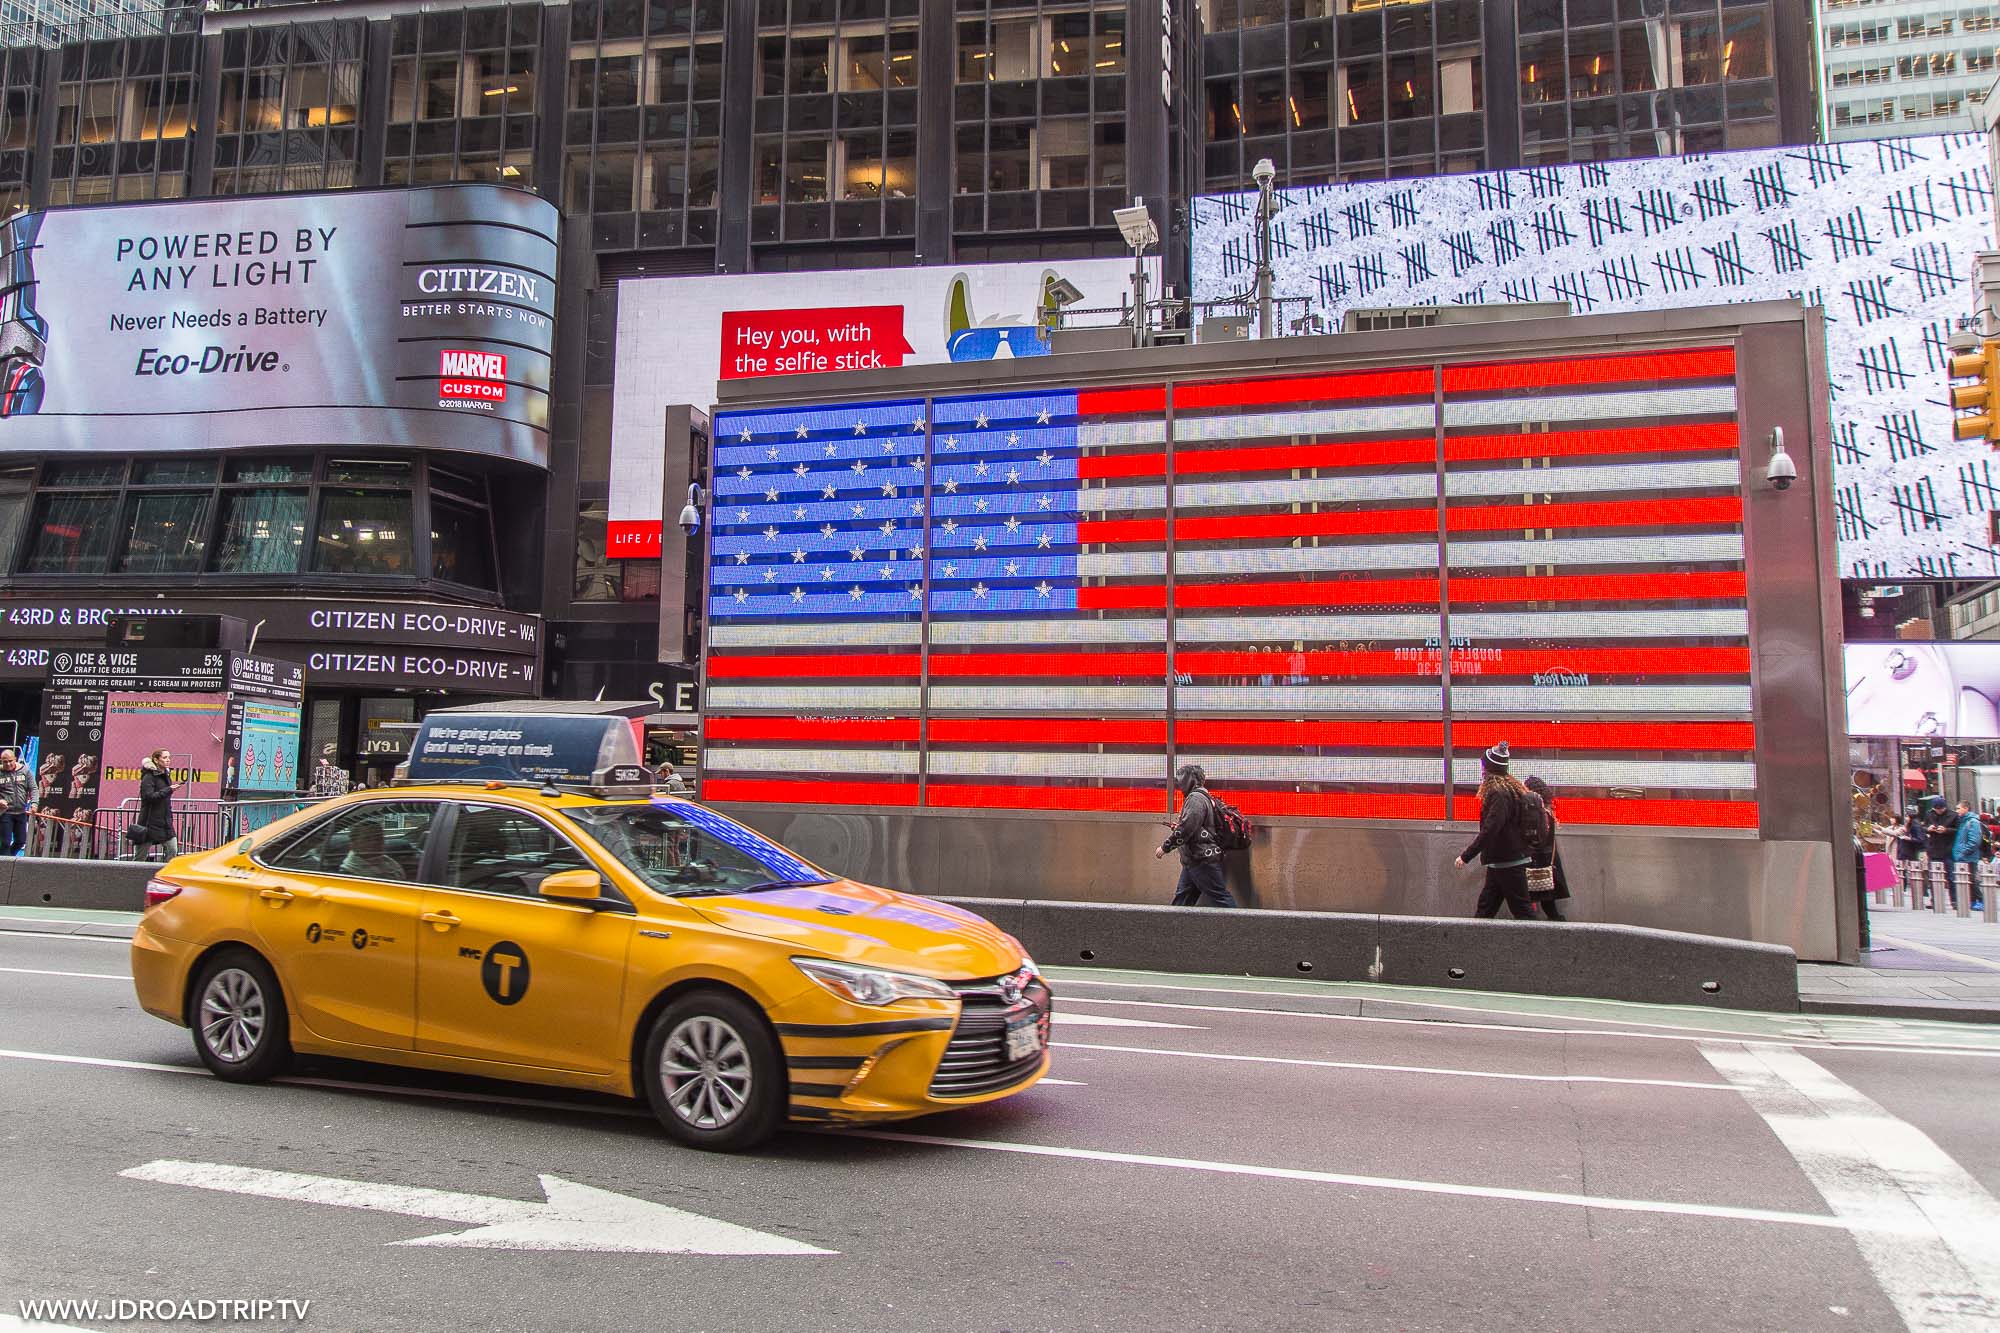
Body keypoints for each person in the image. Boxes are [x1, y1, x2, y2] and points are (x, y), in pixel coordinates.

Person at [1454, 742, 1540, 920]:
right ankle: (1476, 944)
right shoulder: (1511, 788)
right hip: (1503, 861)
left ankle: (1540, 945)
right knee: (1486, 908)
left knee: (1522, 911)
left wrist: (1466, 856)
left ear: (1488, 768)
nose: (1482, 770)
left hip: (1508, 861)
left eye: (1483, 766)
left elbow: (1491, 829)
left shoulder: (1498, 793)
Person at [1154, 764, 1236, 908]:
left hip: (1201, 858)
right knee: (1183, 900)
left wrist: (1166, 847)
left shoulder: (1196, 798)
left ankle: (1241, 924)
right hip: (1194, 859)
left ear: (1190, 780)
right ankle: (1175, 927)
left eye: (1181, 780)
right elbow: (1194, 826)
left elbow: (1187, 828)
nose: (1179, 784)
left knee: (1220, 898)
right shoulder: (1203, 796)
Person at [1523, 775, 1571, 922]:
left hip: (1539, 858)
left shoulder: (1538, 812)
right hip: (1548, 858)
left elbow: (1536, 838)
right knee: (1547, 897)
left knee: (1541, 896)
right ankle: (1555, 920)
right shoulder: (1548, 811)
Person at [130, 749, 179, 862]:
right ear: (156, 760)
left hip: (165, 821)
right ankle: (133, 877)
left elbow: (164, 799)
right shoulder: (149, 777)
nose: (168, 760)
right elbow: (148, 797)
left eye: (169, 757)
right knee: (140, 857)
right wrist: (169, 789)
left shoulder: (166, 775)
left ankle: (164, 874)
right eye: (165, 757)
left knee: (173, 849)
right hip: (149, 822)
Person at [1922, 795, 1960, 908]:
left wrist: (1946, 830)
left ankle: (1955, 901)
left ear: (1945, 807)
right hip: (1933, 848)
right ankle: (1935, 900)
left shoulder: (1953, 815)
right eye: (1936, 809)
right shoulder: (1929, 814)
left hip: (1948, 849)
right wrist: (1928, 829)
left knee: (1951, 877)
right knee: (1933, 876)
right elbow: (1923, 826)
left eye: (1941, 809)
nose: (1938, 811)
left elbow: (1958, 830)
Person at [1951, 801, 1988, 911]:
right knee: (1967, 880)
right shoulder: (1962, 821)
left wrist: (1964, 852)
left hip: (1969, 857)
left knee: (1972, 880)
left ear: (1966, 808)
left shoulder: (1972, 822)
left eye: (1959, 808)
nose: (1957, 811)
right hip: (1962, 856)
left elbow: (1974, 841)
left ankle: (1981, 901)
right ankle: (1972, 901)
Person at [0, 748, 35, 857]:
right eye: (5, 761)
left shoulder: (25, 771)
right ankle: (6, 866)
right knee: (5, 842)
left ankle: (8, 859)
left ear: (15, 759)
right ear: (1, 761)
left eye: (10, 761)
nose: (8, 764)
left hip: (21, 812)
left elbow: (33, 788)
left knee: (20, 841)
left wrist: (34, 803)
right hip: (5, 813)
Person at [338, 820, 403, 879]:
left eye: (378, 838)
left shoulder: (387, 861)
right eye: (367, 839)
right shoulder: (349, 874)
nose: (375, 842)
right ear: (353, 844)